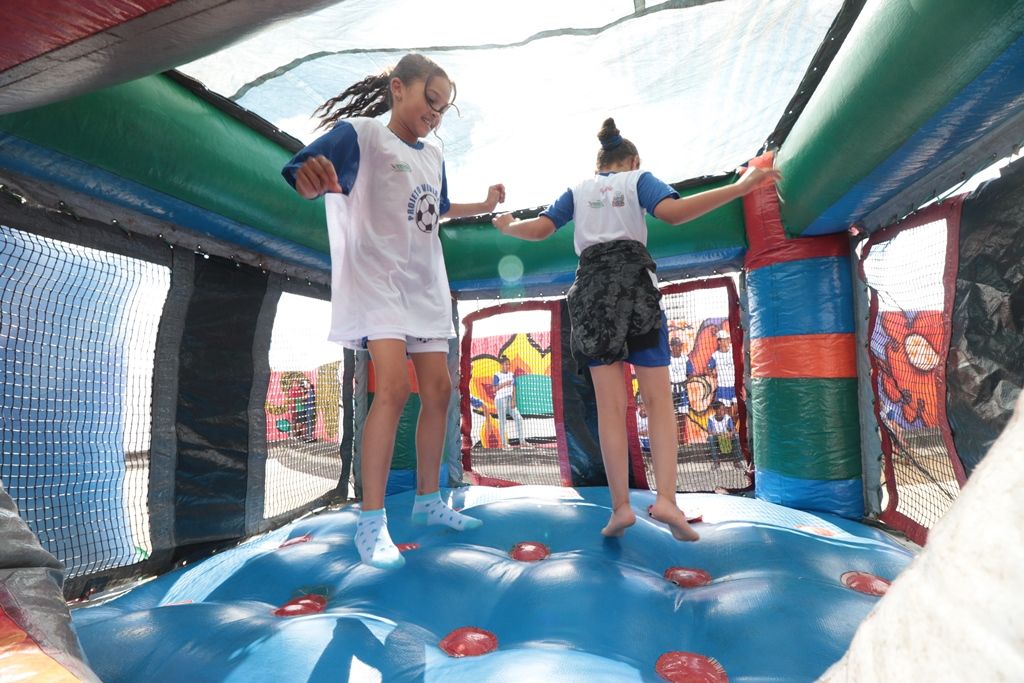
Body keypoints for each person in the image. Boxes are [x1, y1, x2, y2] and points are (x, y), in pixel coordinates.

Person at [493, 118, 779, 542]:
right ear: (633, 160)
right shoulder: (638, 180)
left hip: (591, 294)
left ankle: (621, 507)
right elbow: (673, 214)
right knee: (658, 402)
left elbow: (541, 228)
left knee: (610, 408)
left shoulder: (578, 189)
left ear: (599, 165)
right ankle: (666, 500)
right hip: (635, 288)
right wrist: (741, 188)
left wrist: (508, 227)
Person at [282, 53, 505, 569]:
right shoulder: (362, 135)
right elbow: (302, 171)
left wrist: (483, 205)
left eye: (443, 108)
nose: (436, 113)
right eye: (431, 100)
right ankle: (371, 520)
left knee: (440, 391)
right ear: (399, 88)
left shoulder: (433, 156)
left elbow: (437, 208)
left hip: (424, 284)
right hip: (378, 281)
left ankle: (430, 500)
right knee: (395, 389)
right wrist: (308, 180)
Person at [493, 357, 524, 449]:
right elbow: (494, 389)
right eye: (506, 364)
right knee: (502, 422)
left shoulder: (511, 375)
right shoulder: (497, 375)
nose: (508, 366)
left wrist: (514, 400)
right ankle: (504, 444)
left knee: (519, 418)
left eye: (509, 364)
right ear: (501, 365)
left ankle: (522, 442)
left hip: (510, 399)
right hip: (500, 400)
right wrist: (505, 384)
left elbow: (514, 388)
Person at [668, 336, 694, 444]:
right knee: (673, 416)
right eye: (677, 346)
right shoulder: (667, 359)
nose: (680, 348)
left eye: (680, 346)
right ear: (672, 347)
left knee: (683, 415)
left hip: (682, 389)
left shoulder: (685, 359)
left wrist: (686, 381)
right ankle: (674, 440)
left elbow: (691, 373)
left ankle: (682, 439)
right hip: (671, 390)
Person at [706, 400, 742, 469]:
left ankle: (737, 461)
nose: (723, 411)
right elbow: (709, 431)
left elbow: (733, 429)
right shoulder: (711, 419)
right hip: (717, 437)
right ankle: (716, 462)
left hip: (726, 437)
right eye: (721, 409)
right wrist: (718, 434)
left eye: (723, 409)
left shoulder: (727, 418)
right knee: (710, 438)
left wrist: (730, 433)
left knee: (736, 436)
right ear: (716, 410)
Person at [711, 328, 737, 417]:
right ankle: (731, 425)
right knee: (727, 411)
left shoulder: (733, 351)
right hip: (723, 387)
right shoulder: (715, 355)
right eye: (724, 339)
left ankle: (734, 423)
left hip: (735, 384)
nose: (727, 341)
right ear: (719, 342)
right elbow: (707, 368)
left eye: (727, 339)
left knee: (737, 409)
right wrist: (711, 373)